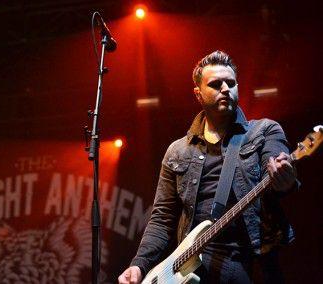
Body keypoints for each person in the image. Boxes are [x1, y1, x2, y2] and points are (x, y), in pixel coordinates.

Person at [118, 51, 298, 284]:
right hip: (188, 267)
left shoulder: (264, 131)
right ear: (198, 94)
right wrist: (139, 264)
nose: (225, 88)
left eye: (231, 83)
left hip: (245, 261)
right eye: (215, 84)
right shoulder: (177, 150)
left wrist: (285, 177)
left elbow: (276, 170)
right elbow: (162, 218)